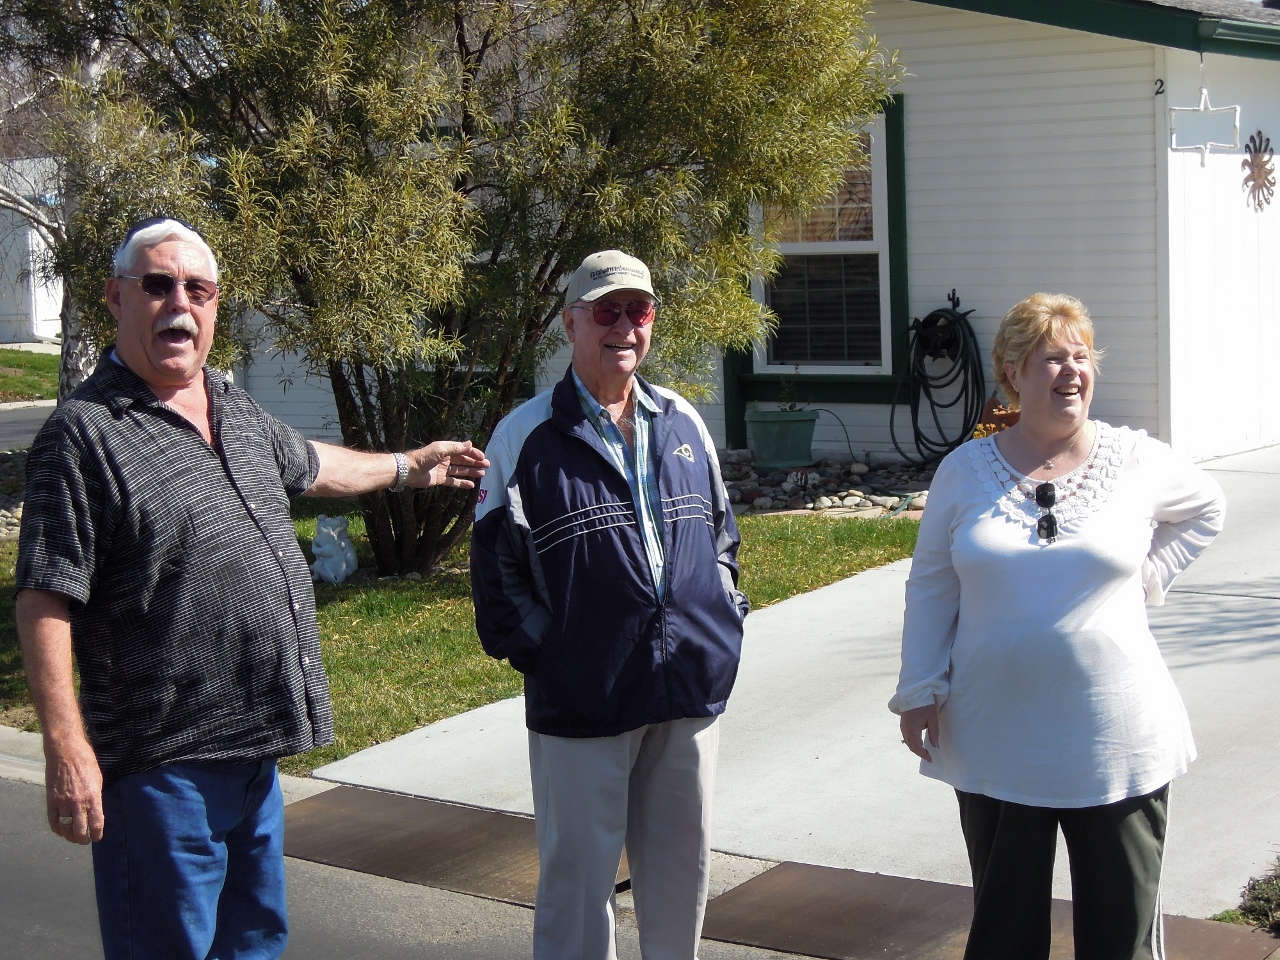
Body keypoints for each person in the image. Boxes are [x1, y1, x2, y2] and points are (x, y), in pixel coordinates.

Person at [16, 217, 488, 960]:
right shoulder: (85, 434)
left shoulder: (230, 408)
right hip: (160, 769)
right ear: (116, 297)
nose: (180, 303)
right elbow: (46, 596)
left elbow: (311, 465)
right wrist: (67, 746)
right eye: (158, 285)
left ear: (214, 306)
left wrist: (409, 467)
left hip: (255, 757)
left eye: (197, 289)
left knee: (254, 949)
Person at [890, 293, 1225, 960]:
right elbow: (932, 584)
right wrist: (919, 688)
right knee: (1005, 934)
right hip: (997, 737)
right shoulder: (964, 472)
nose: (1072, 371)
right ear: (1013, 372)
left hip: (1114, 740)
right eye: (1053, 358)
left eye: (1081, 357)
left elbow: (1207, 509)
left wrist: (1148, 577)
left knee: (1119, 936)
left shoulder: (1136, 460)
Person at [471, 250, 748, 960]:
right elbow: (497, 578)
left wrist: (722, 623)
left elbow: (722, 538)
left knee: (681, 875)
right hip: (583, 702)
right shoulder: (525, 437)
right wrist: (557, 654)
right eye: (606, 311)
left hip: (686, 691)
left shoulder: (683, 421)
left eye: (639, 310)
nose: (624, 327)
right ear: (571, 323)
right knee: (576, 886)